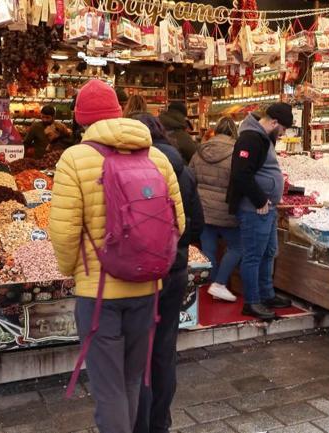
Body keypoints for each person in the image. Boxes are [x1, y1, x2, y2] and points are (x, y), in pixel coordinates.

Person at [48, 79, 185, 433]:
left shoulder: (75, 159)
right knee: (131, 380)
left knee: (108, 388)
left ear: (81, 119)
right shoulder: (157, 155)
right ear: (119, 111)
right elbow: (178, 224)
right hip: (147, 288)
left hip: (98, 295)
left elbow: (64, 233)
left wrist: (74, 272)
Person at [129, 113, 204, 433]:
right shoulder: (182, 170)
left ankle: (139, 423)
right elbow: (195, 223)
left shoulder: (128, 169)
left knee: (137, 352)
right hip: (175, 267)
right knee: (163, 350)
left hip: (141, 274)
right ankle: (160, 421)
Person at [227, 103, 294, 320]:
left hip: (266, 208)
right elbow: (241, 174)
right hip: (254, 209)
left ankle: (267, 294)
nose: (282, 134)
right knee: (254, 255)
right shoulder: (250, 138)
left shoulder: (263, 138)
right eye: (282, 129)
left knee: (268, 252)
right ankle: (252, 302)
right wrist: (260, 199)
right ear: (274, 123)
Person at [190, 117, 241, 302]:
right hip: (226, 210)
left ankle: (213, 283)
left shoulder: (200, 150)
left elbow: (191, 176)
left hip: (203, 208)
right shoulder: (236, 151)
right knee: (237, 247)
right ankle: (219, 283)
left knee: (208, 248)